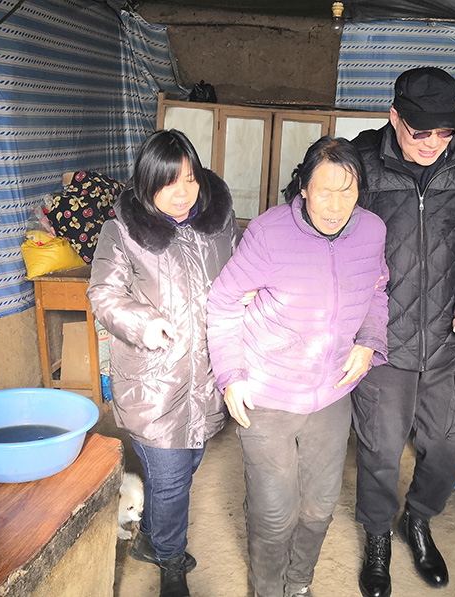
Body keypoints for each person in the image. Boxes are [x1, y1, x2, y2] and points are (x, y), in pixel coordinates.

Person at [350, 67, 455, 596]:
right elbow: (322, 229)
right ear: (394, 117)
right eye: (421, 132)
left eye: (445, 132)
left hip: (449, 336)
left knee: (450, 443)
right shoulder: (359, 165)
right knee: (379, 449)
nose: (433, 143)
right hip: (382, 338)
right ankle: (377, 533)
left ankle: (418, 520)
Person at [207, 136, 389, 597]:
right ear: (303, 188)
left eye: (347, 192)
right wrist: (230, 375)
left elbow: (377, 291)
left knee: (320, 507)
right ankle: (267, 591)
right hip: (267, 394)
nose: (335, 206)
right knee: (274, 514)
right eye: (324, 192)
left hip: (331, 393)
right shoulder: (269, 232)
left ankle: (298, 584)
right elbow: (224, 301)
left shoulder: (372, 231)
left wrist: (369, 342)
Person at [87, 129, 240, 597]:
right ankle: (171, 560)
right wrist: (142, 321)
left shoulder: (218, 226)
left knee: (185, 465)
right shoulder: (122, 233)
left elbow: (240, 277)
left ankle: (149, 539)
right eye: (168, 182)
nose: (182, 193)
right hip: (153, 382)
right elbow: (104, 293)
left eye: (190, 179)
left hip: (205, 379)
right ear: (146, 183)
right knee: (172, 480)